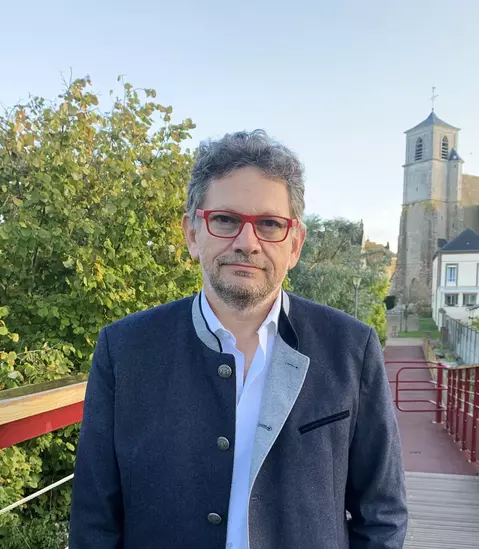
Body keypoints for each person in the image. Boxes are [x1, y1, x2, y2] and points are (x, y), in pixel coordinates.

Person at [69, 130, 408, 549]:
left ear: (295, 244)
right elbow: (94, 520)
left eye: (269, 224)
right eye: (225, 220)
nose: (247, 243)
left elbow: (383, 513)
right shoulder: (124, 351)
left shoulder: (351, 349)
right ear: (193, 234)